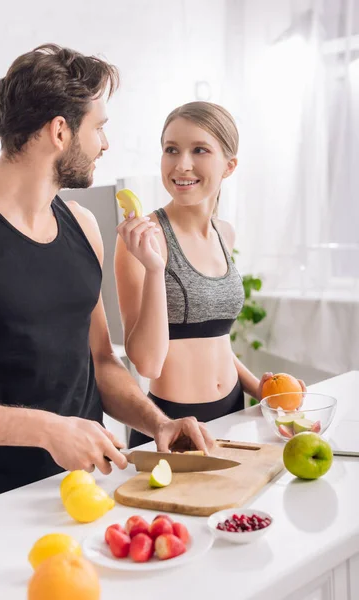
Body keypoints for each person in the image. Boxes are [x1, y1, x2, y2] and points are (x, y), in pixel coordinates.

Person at [0, 46, 214, 508]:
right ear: (60, 131)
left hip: (82, 496)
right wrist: (45, 429)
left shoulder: (82, 225)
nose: (105, 144)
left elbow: (100, 361)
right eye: (99, 128)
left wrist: (158, 423)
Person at [115, 101, 306, 447]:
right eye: (171, 149)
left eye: (199, 150)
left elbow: (214, 339)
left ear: (229, 166)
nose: (181, 164)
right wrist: (155, 269)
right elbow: (147, 363)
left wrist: (259, 388)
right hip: (173, 423)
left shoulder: (224, 233)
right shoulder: (143, 238)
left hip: (234, 413)